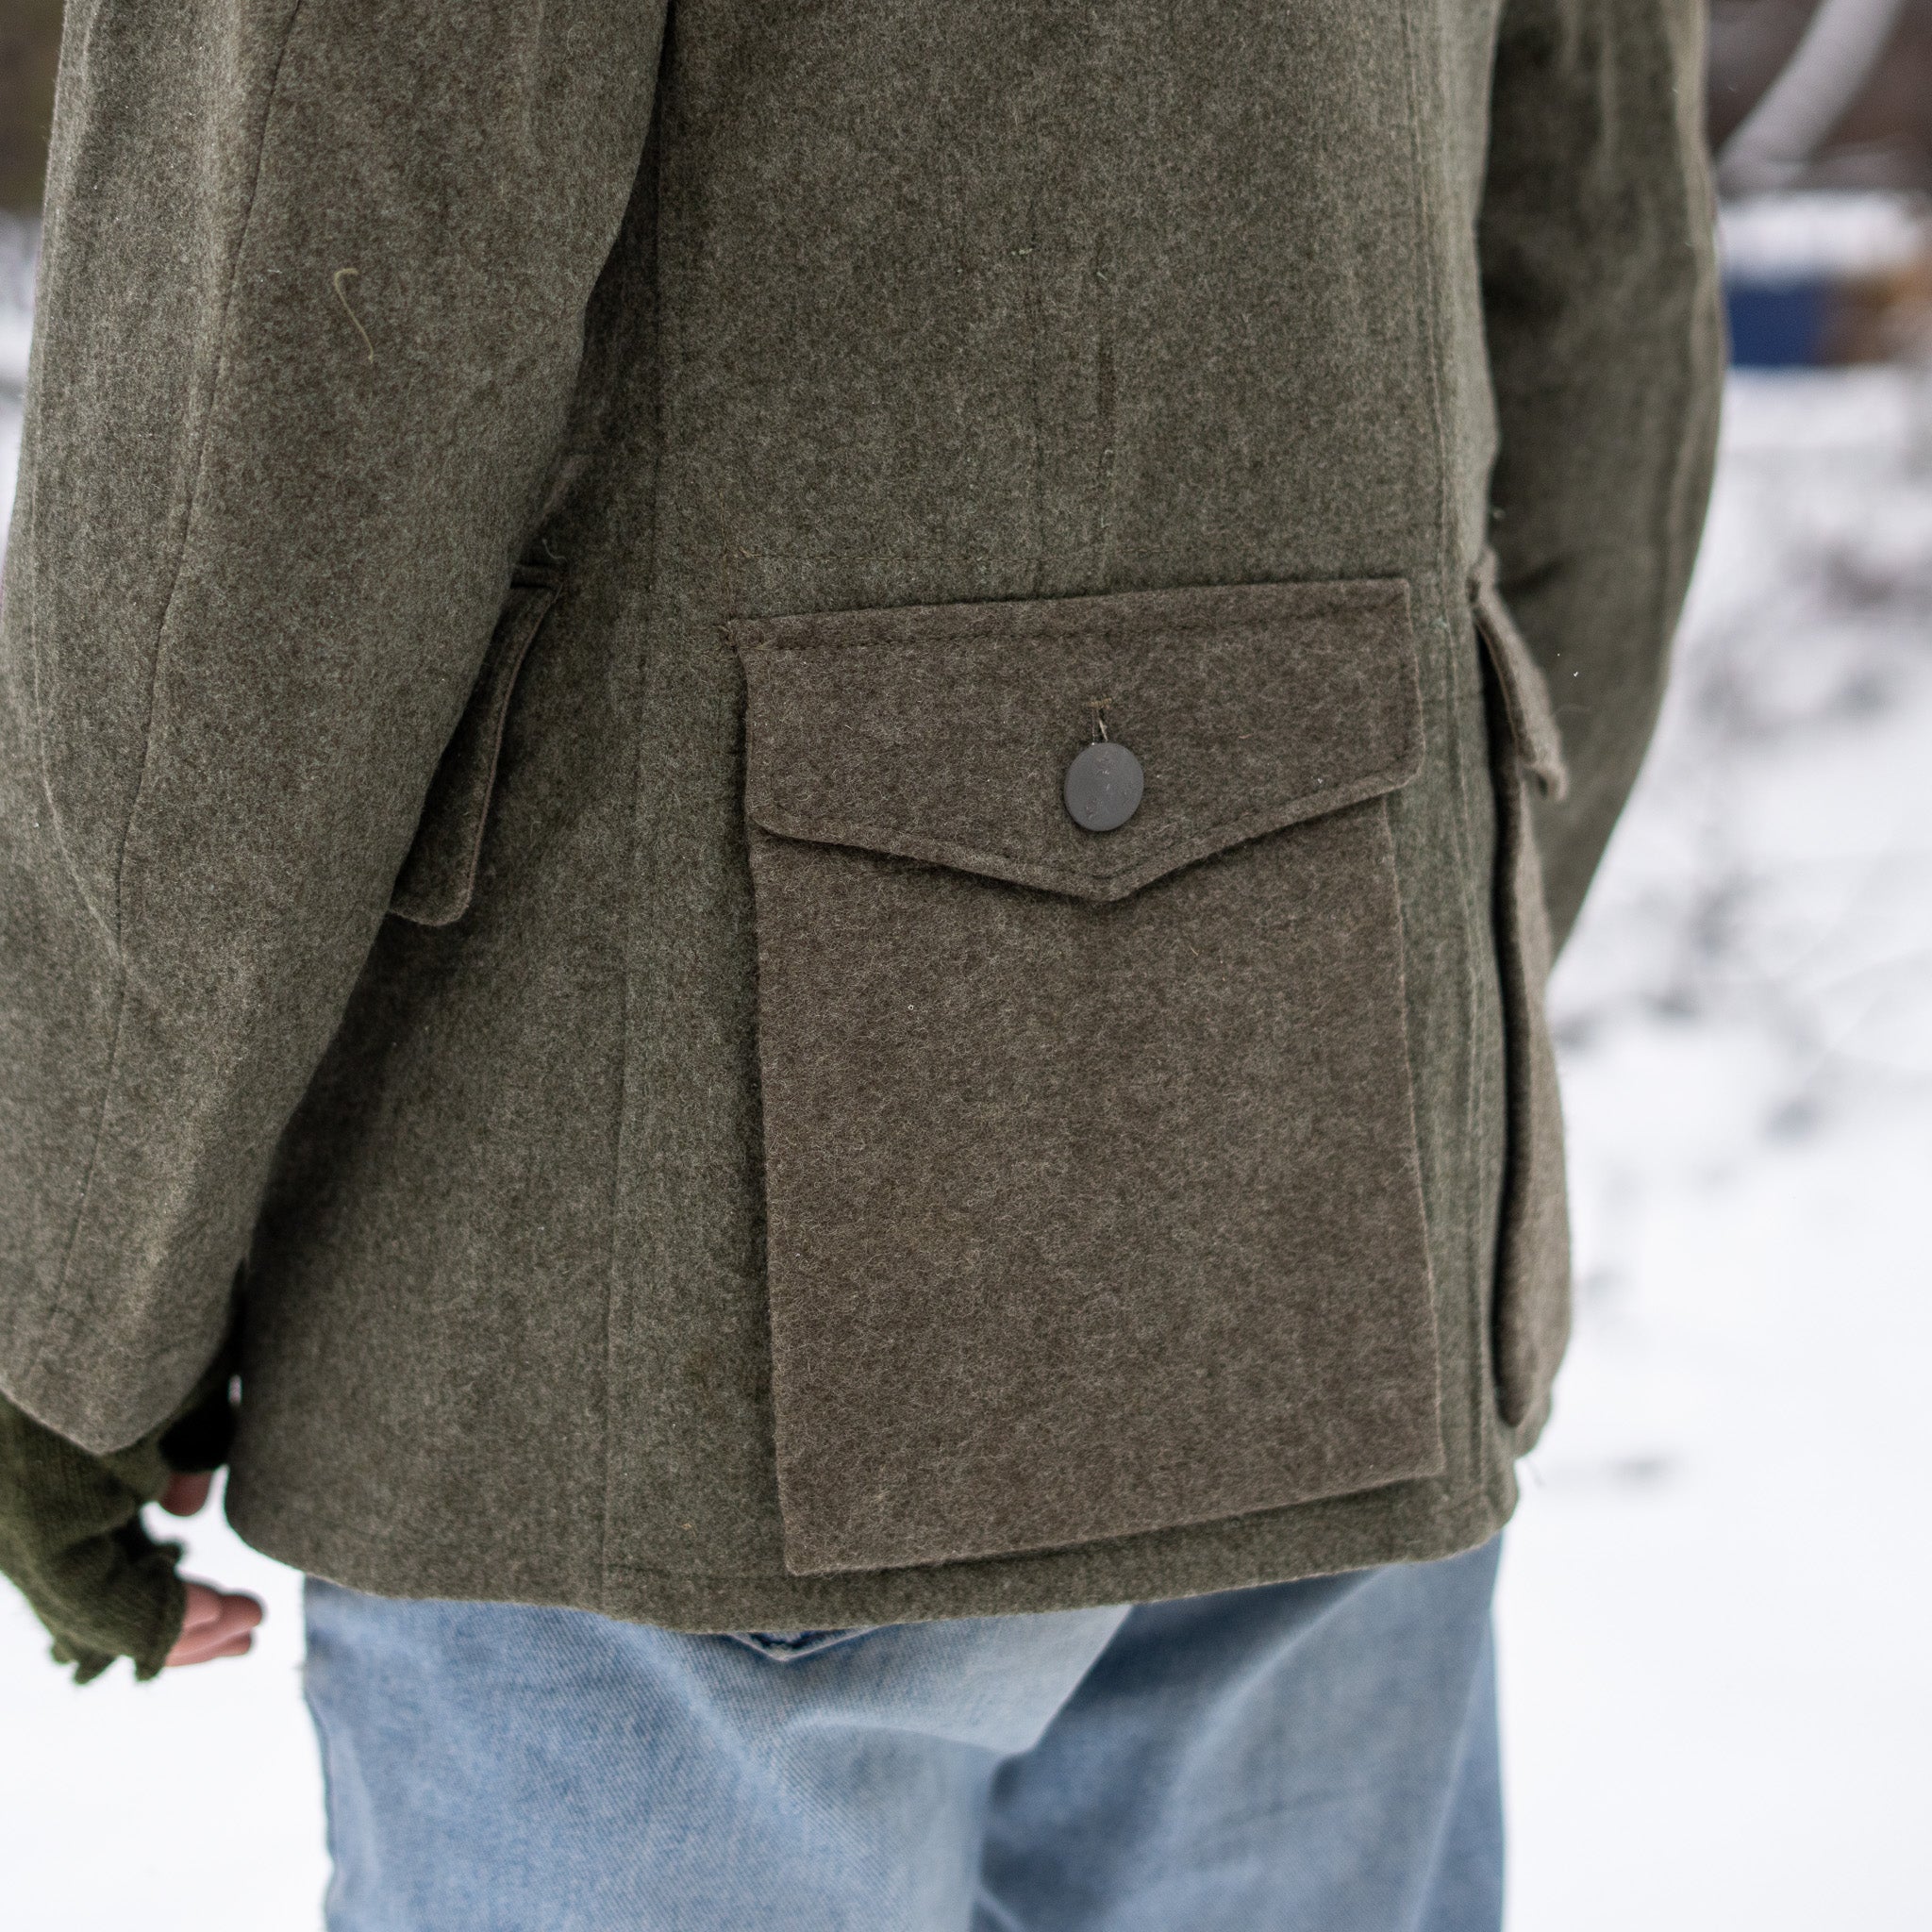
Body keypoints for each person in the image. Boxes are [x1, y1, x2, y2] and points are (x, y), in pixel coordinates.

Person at [0, 1, 1721, 1924]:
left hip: (643, 1323)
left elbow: (283, 373)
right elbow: (1610, 274)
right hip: (1334, 1208)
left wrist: (65, 1282)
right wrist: (1370, 975)